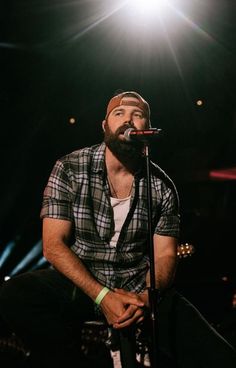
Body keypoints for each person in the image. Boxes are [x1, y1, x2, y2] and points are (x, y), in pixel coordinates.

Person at [0, 91, 236, 368]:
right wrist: (102, 296)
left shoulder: (162, 186)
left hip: (138, 289)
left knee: (220, 357)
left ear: (146, 127)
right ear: (105, 126)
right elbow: (53, 246)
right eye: (119, 113)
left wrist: (146, 299)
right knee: (16, 294)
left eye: (137, 115)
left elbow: (165, 257)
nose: (128, 120)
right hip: (84, 284)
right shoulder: (69, 168)